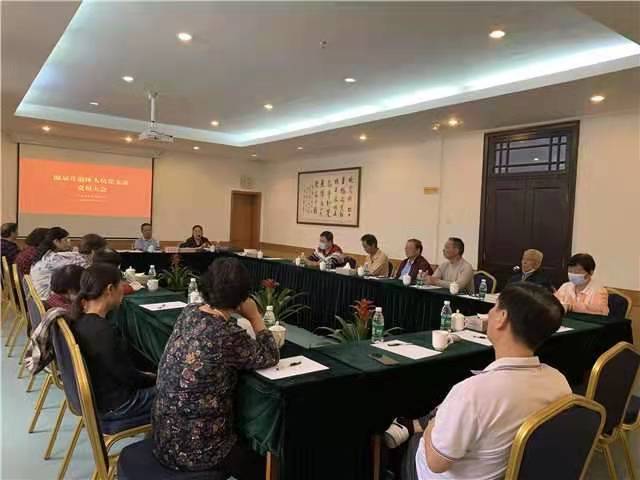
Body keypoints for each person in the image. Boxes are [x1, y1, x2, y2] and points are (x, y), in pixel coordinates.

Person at [404, 283, 570, 480]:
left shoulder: (473, 392)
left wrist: (432, 425)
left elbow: (436, 463)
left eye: (494, 306)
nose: (489, 313)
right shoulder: (558, 381)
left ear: (502, 318)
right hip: (509, 472)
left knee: (413, 443)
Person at [153, 258, 279, 478]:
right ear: (242, 296)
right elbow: (270, 354)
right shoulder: (227, 334)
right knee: (272, 467)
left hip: (163, 438)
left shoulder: (190, 312)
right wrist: (255, 316)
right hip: (198, 451)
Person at [69, 264, 156, 422]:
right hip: (119, 405)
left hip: (103, 398)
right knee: (181, 392)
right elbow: (129, 377)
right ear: (110, 289)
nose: (123, 289)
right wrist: (156, 378)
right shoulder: (103, 331)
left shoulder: (79, 321)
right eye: (121, 285)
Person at [30, 227, 87, 301]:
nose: (69, 241)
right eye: (65, 240)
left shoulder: (45, 254)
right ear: (56, 241)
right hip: (47, 299)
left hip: (39, 297)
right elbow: (75, 265)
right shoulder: (53, 259)